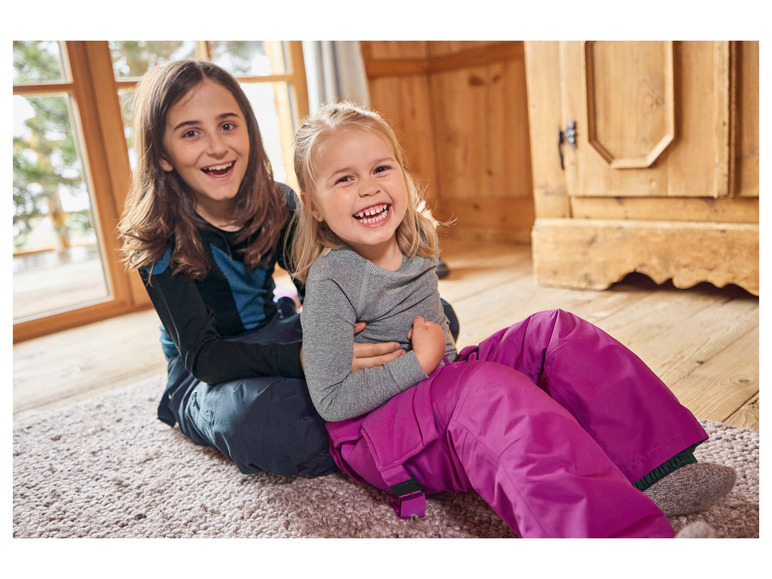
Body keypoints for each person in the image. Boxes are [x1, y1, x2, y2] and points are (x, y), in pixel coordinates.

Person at [291, 101, 737, 538]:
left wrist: (443, 366)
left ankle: (657, 470)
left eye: (380, 169)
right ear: (313, 205)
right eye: (345, 178)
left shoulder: (415, 241)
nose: (368, 188)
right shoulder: (332, 280)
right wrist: (420, 364)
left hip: (435, 384)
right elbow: (331, 400)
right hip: (377, 434)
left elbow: (441, 344)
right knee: (487, 393)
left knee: (554, 331)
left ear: (402, 173)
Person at [117, 59, 458, 478]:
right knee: (270, 423)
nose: (217, 147)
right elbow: (204, 357)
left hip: (279, 332)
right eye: (191, 133)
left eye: (227, 125)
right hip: (207, 374)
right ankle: (374, 415)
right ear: (162, 154)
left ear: (249, 130)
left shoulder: (279, 202)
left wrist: (341, 339)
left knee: (433, 321)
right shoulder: (157, 237)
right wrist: (308, 360)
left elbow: (318, 290)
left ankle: (370, 407)